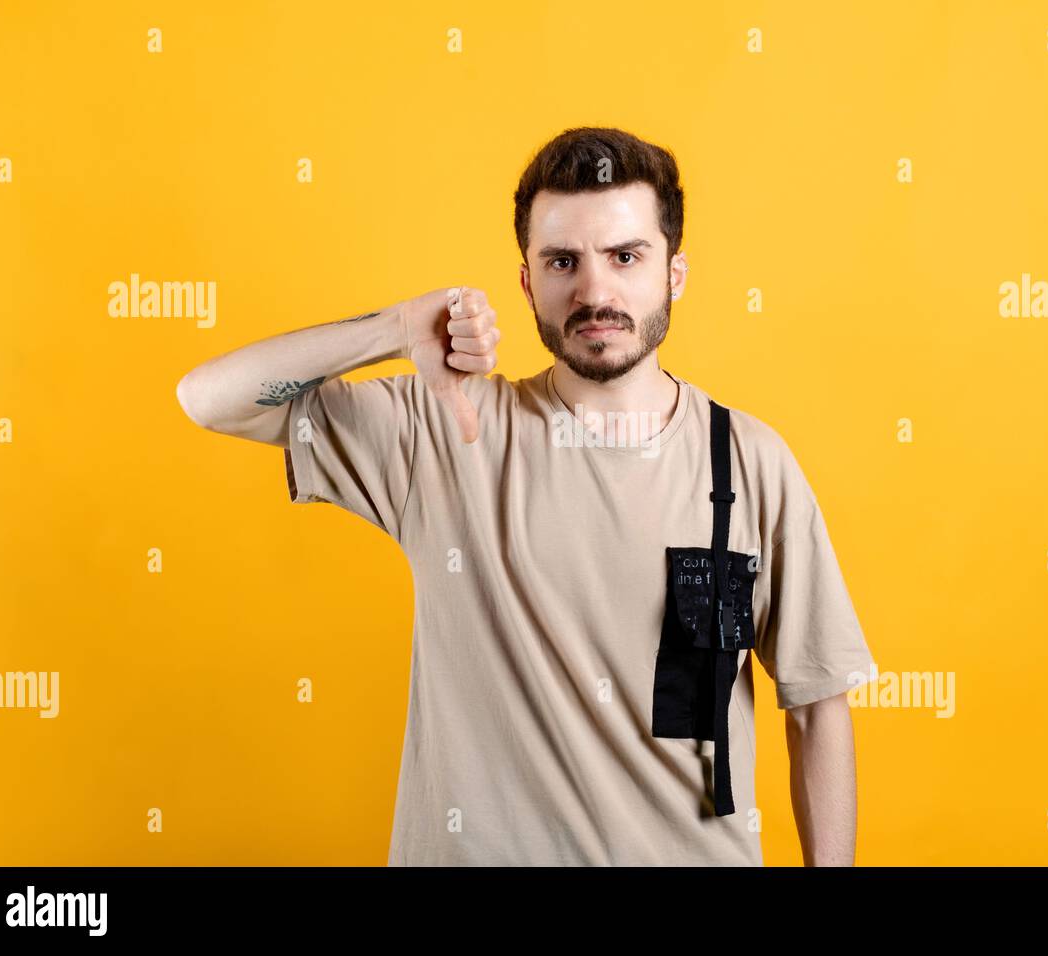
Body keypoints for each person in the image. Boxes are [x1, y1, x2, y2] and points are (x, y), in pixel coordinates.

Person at [176, 126, 877, 866]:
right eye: (563, 262)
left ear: (674, 273)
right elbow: (210, 399)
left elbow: (817, 706)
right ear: (527, 281)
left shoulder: (749, 463)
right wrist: (396, 328)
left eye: (626, 256)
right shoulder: (448, 431)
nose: (595, 291)